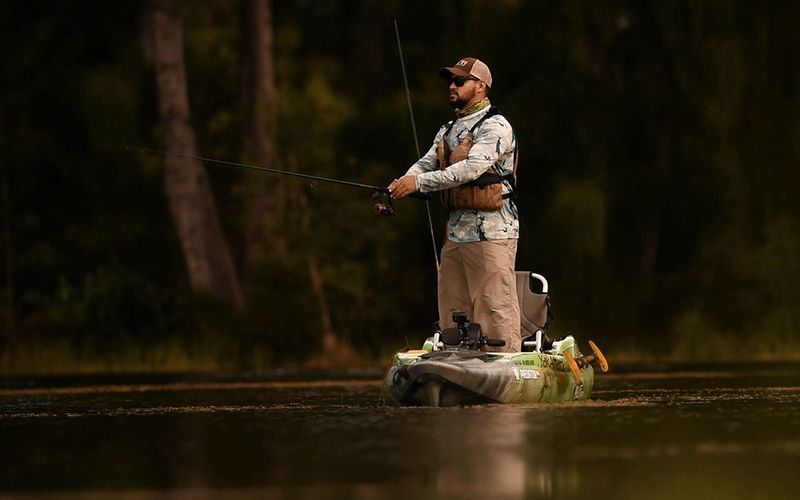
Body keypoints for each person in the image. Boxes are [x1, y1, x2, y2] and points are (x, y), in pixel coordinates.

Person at [388, 57, 520, 352]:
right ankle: (457, 361)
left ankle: (505, 361)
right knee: (453, 307)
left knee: (494, 306)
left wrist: (418, 184)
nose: (452, 85)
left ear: (481, 87)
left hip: (494, 232)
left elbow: (470, 169)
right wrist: (402, 182)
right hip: (456, 234)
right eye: (450, 80)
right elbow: (426, 163)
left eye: (460, 81)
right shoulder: (447, 129)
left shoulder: (496, 126)